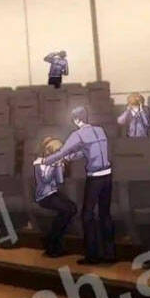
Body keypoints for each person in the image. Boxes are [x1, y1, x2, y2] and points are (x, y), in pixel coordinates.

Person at [41, 105, 115, 263]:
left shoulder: (78, 134)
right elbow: (88, 151)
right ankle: (109, 254)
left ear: (75, 119)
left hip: (95, 178)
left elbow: (62, 152)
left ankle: (92, 256)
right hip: (107, 176)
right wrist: (71, 157)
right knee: (105, 215)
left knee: (87, 215)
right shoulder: (100, 130)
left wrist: (45, 161)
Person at [32, 137, 77, 257]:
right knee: (67, 210)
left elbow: (60, 180)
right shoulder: (39, 163)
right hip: (44, 195)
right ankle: (52, 241)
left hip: (53, 193)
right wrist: (54, 165)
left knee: (72, 208)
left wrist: (59, 166)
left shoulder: (55, 163)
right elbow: (45, 180)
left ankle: (54, 239)